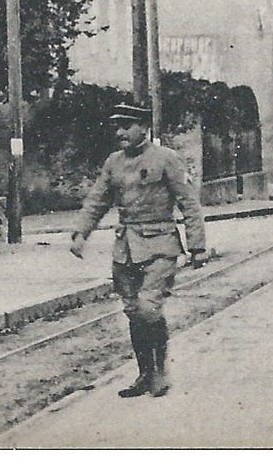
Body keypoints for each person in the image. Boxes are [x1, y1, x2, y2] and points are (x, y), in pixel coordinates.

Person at [70, 103, 207, 399]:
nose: (119, 132)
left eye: (126, 125)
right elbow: (97, 199)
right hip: (126, 248)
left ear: (144, 126)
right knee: (133, 312)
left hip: (160, 245)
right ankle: (144, 374)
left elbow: (189, 203)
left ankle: (160, 372)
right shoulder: (113, 163)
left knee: (148, 308)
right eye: (116, 126)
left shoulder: (166, 159)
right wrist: (81, 233)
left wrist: (197, 246)